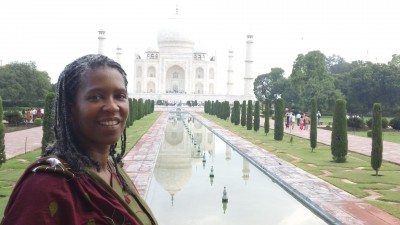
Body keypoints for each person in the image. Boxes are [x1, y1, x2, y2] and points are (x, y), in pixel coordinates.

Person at [1, 55, 158, 225]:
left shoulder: (113, 170)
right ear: (70, 109)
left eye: (120, 96)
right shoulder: (45, 186)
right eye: (96, 97)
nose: (113, 106)